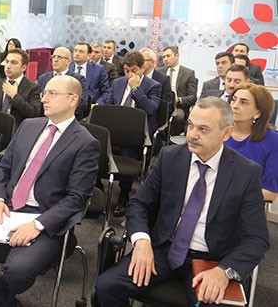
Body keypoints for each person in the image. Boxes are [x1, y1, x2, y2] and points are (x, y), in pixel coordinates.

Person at [94, 97, 269, 306]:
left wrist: (224, 271)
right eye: (190, 125)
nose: (192, 135)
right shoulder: (170, 157)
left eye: (203, 129)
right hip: (164, 249)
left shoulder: (246, 173)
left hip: (212, 260)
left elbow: (256, 239)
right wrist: (141, 241)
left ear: (226, 133)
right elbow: (139, 204)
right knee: (106, 286)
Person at [0, 75, 100, 307]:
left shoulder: (85, 143)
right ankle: (2, 303)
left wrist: (37, 225)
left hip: (45, 217)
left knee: (18, 270)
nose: (44, 99)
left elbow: (77, 198)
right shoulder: (29, 126)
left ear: (73, 99)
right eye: (44, 93)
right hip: (9, 208)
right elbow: (3, 167)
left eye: (52, 94)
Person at [111, 51, 161, 217]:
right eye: (127, 71)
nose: (130, 75)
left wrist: (135, 89)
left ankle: (123, 194)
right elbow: (110, 104)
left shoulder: (153, 86)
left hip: (138, 131)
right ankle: (96, 188)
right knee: (95, 141)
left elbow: (151, 109)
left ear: (142, 68)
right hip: (115, 126)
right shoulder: (118, 83)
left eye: (134, 71)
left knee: (127, 146)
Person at [226, 83, 278, 202]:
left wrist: (230, 194)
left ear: (258, 112)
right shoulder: (219, 131)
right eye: (233, 100)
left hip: (245, 204)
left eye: (243, 102)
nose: (234, 106)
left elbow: (271, 192)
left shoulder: (273, 140)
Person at [0, 49, 41, 129]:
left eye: (13, 63)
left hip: (19, 131)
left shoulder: (33, 88)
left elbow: (34, 113)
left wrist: (15, 96)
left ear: (23, 67)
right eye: (7, 61)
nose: (8, 66)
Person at [37, 46, 88, 119]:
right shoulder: (43, 78)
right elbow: (38, 102)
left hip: (67, 118)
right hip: (45, 118)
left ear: (68, 61)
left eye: (59, 57)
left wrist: (61, 114)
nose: (55, 60)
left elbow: (81, 103)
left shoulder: (78, 79)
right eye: (53, 57)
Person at [157, 46, 197, 135]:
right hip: (161, 103)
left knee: (178, 116)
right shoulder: (159, 71)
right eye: (163, 57)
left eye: (168, 56)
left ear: (177, 56)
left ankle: (171, 138)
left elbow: (192, 97)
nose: (165, 59)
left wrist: (179, 100)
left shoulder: (188, 73)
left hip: (177, 106)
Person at [140, 47, 173, 114]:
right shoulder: (134, 76)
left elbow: (167, 107)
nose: (139, 63)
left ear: (152, 62)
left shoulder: (163, 80)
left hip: (153, 114)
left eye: (142, 60)